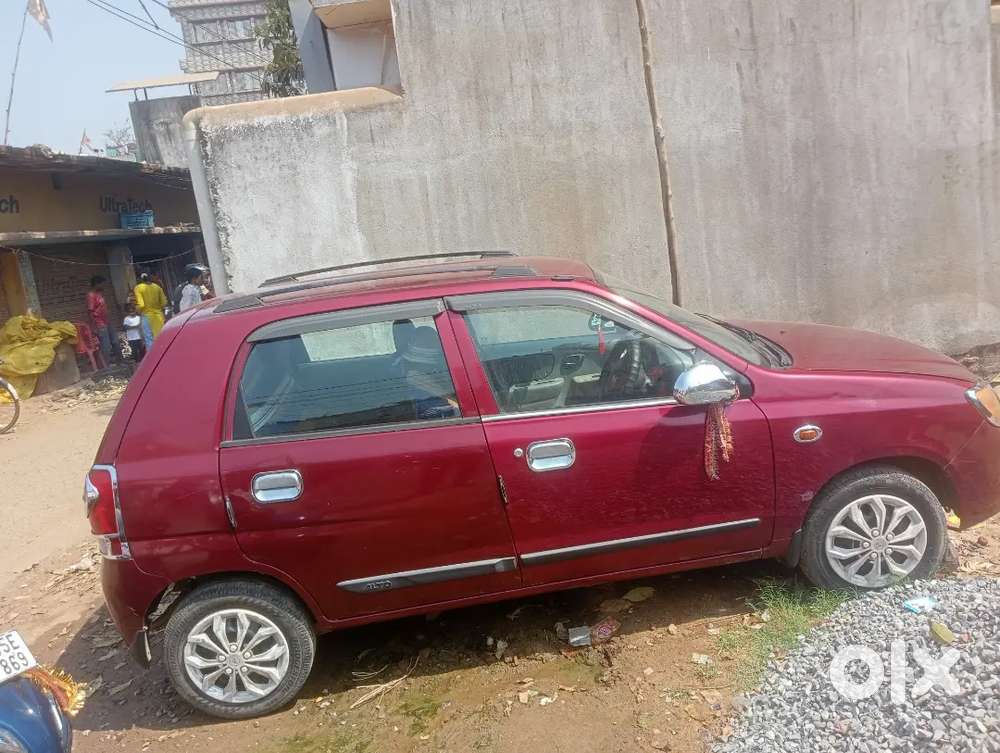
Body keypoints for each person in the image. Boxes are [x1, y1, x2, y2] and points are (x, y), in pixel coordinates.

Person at [86, 276, 113, 367]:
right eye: (102, 284)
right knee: (106, 346)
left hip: (106, 321)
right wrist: (94, 327)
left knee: (114, 342)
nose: (103, 285)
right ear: (97, 284)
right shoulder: (91, 295)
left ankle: (111, 363)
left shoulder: (100, 293)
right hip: (100, 324)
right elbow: (90, 312)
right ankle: (105, 366)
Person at [133, 272, 167, 338]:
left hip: (147, 316)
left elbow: (141, 305)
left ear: (140, 279)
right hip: (159, 316)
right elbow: (164, 303)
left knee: (149, 339)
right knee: (162, 337)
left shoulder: (138, 288)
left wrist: (137, 310)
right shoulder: (157, 287)